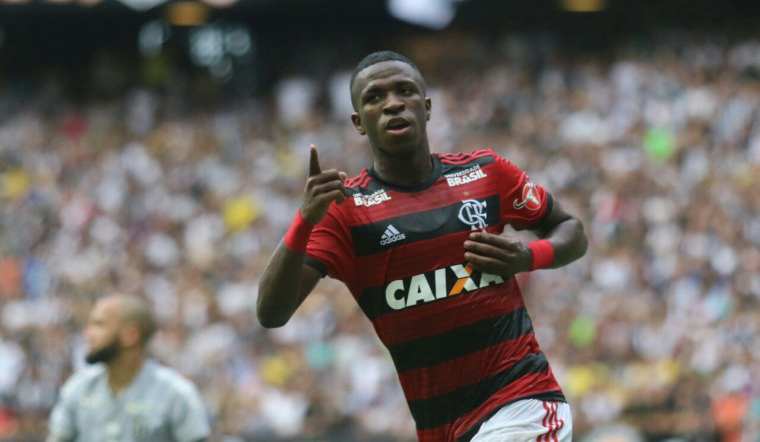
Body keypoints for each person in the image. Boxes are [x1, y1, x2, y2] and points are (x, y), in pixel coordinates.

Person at [257, 50, 588, 441]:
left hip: (522, 403)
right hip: (441, 428)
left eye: (405, 91)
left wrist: (529, 256)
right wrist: (303, 221)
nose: (393, 103)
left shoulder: (486, 173)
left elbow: (571, 230)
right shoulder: (345, 211)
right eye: (374, 97)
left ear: (427, 107)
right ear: (358, 122)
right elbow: (271, 313)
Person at [47, 294, 211, 442]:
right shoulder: (79, 388)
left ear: (130, 335)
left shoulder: (175, 394)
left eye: (99, 325)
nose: (88, 334)